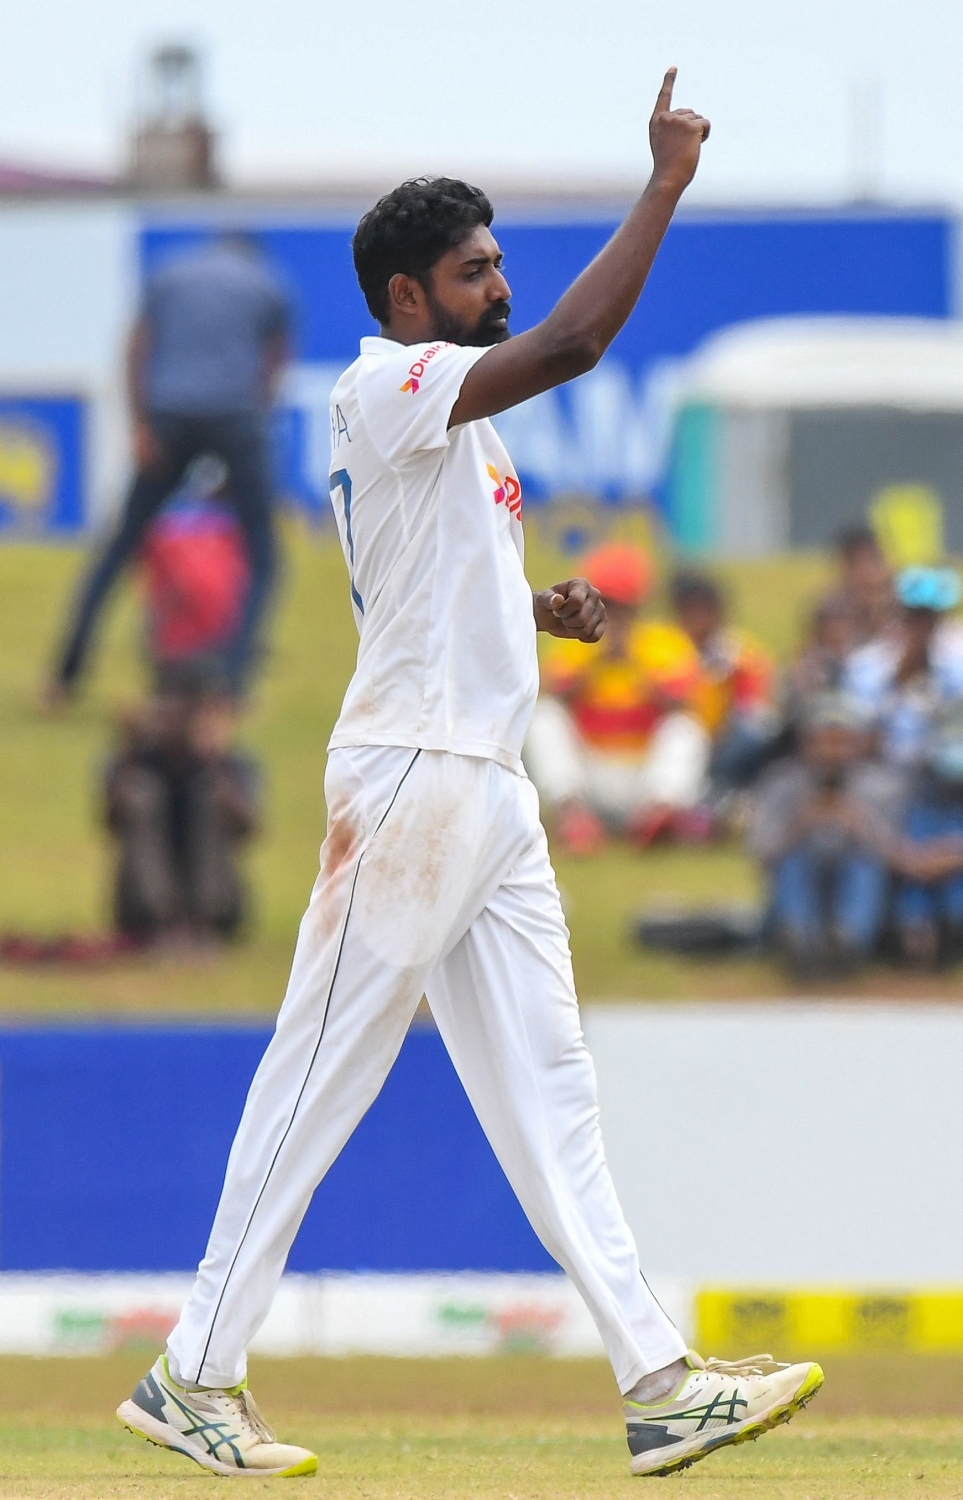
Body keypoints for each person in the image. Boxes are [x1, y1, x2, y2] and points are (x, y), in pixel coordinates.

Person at [117, 72, 822, 1483]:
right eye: (473, 269)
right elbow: (576, 343)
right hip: (414, 779)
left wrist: (533, 603)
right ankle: (192, 1372)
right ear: (407, 296)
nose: (502, 284)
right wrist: (665, 184)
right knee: (318, 1076)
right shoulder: (385, 383)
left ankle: (659, 1382)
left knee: (554, 1094)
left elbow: (430, 579)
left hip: (484, 787)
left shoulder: (453, 420)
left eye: (498, 262)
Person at [43, 233, 291, 705]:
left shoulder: (170, 274)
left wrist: (139, 425)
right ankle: (231, 684)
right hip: (237, 418)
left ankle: (65, 677)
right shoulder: (269, 284)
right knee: (263, 556)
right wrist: (251, 432)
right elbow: (273, 365)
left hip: (168, 416)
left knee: (121, 545)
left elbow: (137, 347)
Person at [524, 540, 714, 853]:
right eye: (607, 604)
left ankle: (658, 816)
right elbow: (553, 695)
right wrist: (597, 662)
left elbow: (683, 706)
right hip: (591, 778)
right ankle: (573, 817)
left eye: (620, 605)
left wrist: (635, 663)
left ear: (636, 606)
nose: (613, 614)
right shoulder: (575, 643)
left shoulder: (663, 643)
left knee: (686, 729)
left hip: (644, 777)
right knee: (544, 718)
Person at [747, 692, 907, 977]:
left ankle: (849, 941)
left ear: (858, 743)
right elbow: (760, 855)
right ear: (805, 744)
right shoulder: (781, 783)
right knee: (794, 861)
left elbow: (904, 860)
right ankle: (800, 941)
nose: (830, 752)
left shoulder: (883, 787)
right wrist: (799, 826)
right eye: (821, 741)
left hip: (860, 895)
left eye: (840, 742)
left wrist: (860, 826)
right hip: (797, 892)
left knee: (864, 863)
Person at [105, 671, 258, 945]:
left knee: (210, 797)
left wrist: (214, 761)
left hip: (218, 905)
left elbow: (247, 828)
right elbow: (111, 823)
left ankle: (203, 922)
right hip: (141, 911)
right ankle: (161, 921)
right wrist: (131, 753)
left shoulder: (229, 763)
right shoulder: (137, 761)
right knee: (142, 796)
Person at [845, 566, 963, 767]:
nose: (923, 626)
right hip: (887, 768)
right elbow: (857, 724)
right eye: (914, 616)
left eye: (932, 617)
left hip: (960, 768)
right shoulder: (868, 663)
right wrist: (897, 681)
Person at [893, 700, 963, 968]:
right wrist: (917, 860)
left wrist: (960, 853)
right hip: (924, 870)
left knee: (961, 834)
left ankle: (954, 927)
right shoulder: (922, 779)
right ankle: (917, 930)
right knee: (929, 824)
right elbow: (901, 842)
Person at [667, 571, 778, 798]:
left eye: (705, 610)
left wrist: (732, 675)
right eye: (690, 610)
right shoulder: (666, 649)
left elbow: (757, 707)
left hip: (729, 739)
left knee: (758, 732)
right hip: (683, 739)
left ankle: (730, 795)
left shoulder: (738, 650)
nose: (698, 618)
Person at [831, 524, 897, 645]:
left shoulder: (910, 615)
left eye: (874, 562)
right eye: (857, 564)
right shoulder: (833, 622)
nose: (868, 574)